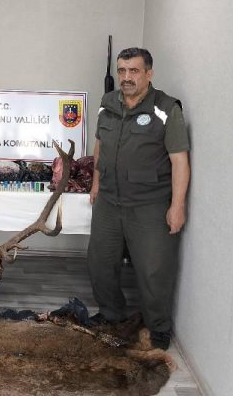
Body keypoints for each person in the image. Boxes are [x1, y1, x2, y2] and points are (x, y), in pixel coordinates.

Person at [87, 47, 190, 351]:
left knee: (154, 270)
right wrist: (95, 183)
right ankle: (111, 315)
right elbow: (99, 146)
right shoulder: (107, 104)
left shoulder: (166, 109)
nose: (127, 77)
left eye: (134, 71)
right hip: (108, 200)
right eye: (122, 70)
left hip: (150, 204)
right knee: (100, 264)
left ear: (149, 73)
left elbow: (180, 160)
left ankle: (158, 328)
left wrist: (177, 206)